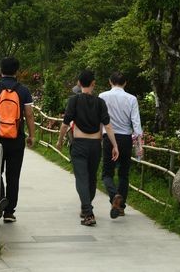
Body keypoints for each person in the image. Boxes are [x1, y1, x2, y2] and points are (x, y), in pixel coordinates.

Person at [56, 70, 119, 226]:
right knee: (91, 178)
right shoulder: (100, 102)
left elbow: (65, 124)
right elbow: (108, 126)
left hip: (79, 145)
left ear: (79, 83)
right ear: (93, 83)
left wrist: (60, 141)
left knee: (82, 178)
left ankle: (88, 212)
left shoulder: (74, 101)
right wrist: (115, 145)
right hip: (95, 146)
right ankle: (87, 208)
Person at [0, 56, 35, 223]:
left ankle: (0, 199)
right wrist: (31, 135)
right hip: (16, 139)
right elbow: (29, 115)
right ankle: (9, 212)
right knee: (13, 176)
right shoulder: (24, 91)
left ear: (0, 69)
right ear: (17, 71)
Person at [99, 71, 143, 219]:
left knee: (107, 173)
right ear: (125, 83)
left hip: (108, 137)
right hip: (125, 138)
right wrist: (139, 145)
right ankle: (121, 207)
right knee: (124, 173)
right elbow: (136, 123)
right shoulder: (131, 99)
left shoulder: (102, 96)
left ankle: (114, 196)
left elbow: (100, 120)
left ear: (110, 81)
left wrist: (98, 137)